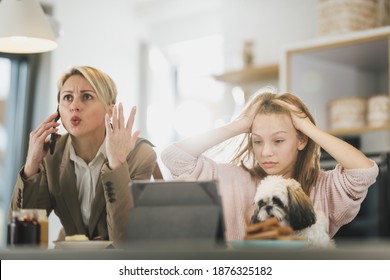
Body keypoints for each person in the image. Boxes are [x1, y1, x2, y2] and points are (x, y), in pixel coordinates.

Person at [161, 91, 379, 241]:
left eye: (278, 140)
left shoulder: (323, 188)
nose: (265, 152)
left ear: (301, 141)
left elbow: (364, 171)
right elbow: (174, 157)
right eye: (257, 141)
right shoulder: (233, 180)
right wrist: (240, 125)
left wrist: (305, 126)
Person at [9, 66, 157, 246]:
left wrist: (117, 164)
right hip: (70, 264)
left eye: (87, 96)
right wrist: (31, 165)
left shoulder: (140, 154)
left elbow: (125, 239)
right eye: (67, 97)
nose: (74, 106)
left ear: (110, 110)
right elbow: (23, 238)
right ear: (58, 111)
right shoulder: (51, 155)